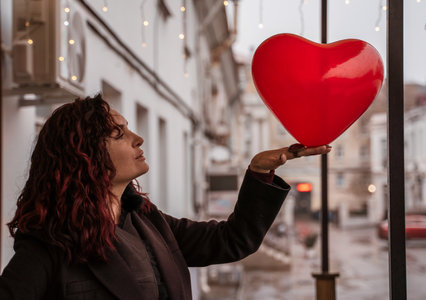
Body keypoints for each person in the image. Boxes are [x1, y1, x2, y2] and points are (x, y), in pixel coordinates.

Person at [0, 95, 331, 300]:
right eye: (119, 132)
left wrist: (259, 170)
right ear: (82, 152)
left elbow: (233, 240)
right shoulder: (49, 244)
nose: (138, 138)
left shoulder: (146, 218)